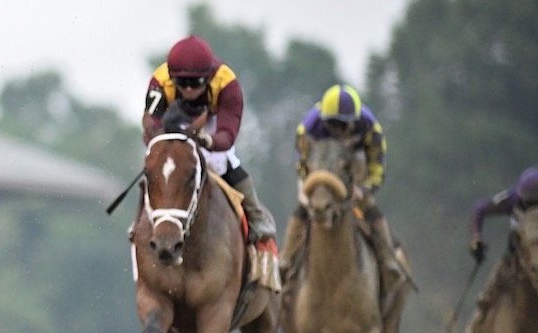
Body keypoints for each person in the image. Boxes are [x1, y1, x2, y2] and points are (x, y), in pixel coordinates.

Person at [142, 35, 277, 244]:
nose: (188, 89)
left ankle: (255, 214)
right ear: (171, 78)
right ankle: (141, 225)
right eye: (181, 83)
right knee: (159, 167)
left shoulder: (226, 83)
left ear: (208, 77)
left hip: (212, 123)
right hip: (172, 124)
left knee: (222, 161)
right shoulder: (160, 81)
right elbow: (151, 125)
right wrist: (165, 144)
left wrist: (208, 140)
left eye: (195, 83)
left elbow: (228, 135)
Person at [280, 84, 405, 288]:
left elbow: (377, 167)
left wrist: (363, 190)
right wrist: (309, 186)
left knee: (369, 208)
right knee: (303, 208)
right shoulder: (309, 127)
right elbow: (301, 160)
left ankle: (388, 260)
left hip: (353, 169)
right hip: (318, 170)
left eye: (343, 125)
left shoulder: (370, 127)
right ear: (324, 120)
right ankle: (286, 259)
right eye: (332, 125)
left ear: (354, 121)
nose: (338, 130)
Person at [466, 166, 538, 333]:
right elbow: (480, 208)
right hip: (516, 255)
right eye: (529, 203)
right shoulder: (512, 198)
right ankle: (482, 315)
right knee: (493, 283)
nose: (532, 208)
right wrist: (476, 239)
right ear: (521, 198)